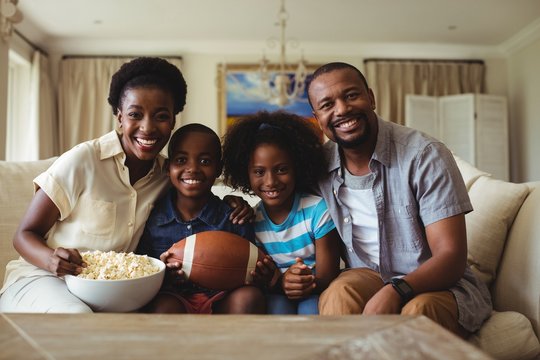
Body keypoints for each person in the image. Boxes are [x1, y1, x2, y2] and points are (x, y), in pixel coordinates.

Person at [0, 57, 250, 313]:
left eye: (161, 116)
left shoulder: (167, 174)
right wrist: (51, 259)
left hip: (111, 290)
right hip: (45, 279)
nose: (148, 127)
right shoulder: (84, 160)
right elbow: (24, 235)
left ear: (173, 122)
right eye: (135, 115)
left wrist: (235, 203)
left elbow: (202, 183)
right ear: (120, 118)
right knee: (77, 316)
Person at [306, 62, 492, 336]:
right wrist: (236, 207)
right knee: (340, 293)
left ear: (371, 97)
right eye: (327, 105)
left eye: (350, 95)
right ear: (317, 118)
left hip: (437, 283)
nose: (342, 109)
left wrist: (397, 289)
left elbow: (450, 257)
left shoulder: (425, 155)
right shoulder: (318, 166)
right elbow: (279, 201)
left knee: (418, 311)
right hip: (366, 276)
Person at [136, 123, 265, 314]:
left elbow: (250, 267)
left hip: (222, 297)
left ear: (219, 168)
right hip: (175, 298)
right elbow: (143, 268)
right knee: (161, 307)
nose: (193, 169)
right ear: (168, 167)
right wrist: (163, 274)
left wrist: (260, 273)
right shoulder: (153, 218)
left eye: (204, 162)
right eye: (181, 160)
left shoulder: (234, 217)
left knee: (249, 297)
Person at [222, 110, 341, 315]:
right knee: (277, 310)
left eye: (281, 169)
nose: (270, 182)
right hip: (276, 293)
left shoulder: (317, 211)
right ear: (246, 173)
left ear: (297, 167)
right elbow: (262, 279)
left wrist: (302, 282)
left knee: (311, 309)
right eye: (259, 172)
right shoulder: (252, 221)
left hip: (317, 290)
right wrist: (282, 283)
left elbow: (328, 276)